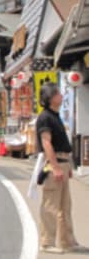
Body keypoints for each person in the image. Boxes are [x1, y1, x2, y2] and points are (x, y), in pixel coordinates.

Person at [37, 82, 87, 254]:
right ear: (50, 97)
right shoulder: (45, 117)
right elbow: (46, 143)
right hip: (55, 163)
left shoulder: (55, 115)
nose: (61, 95)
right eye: (58, 93)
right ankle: (46, 242)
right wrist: (55, 167)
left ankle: (68, 241)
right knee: (51, 205)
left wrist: (68, 166)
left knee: (65, 206)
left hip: (63, 162)